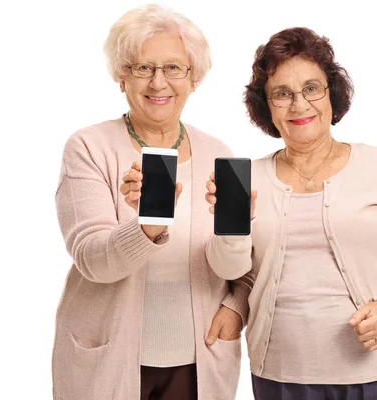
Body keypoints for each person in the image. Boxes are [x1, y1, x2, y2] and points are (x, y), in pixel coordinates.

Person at [205, 27, 377, 400]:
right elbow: (236, 274)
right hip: (280, 373)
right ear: (266, 106)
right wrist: (231, 226)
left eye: (312, 88)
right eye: (282, 94)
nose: (299, 105)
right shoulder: (245, 178)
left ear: (332, 93)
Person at [53, 5, 250, 400]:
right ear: (121, 77)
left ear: (194, 79)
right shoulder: (89, 147)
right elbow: (92, 260)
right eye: (143, 68)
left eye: (174, 68)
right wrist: (147, 225)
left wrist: (238, 306)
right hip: (109, 362)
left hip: (199, 364)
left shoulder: (220, 154)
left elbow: (243, 263)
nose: (159, 82)